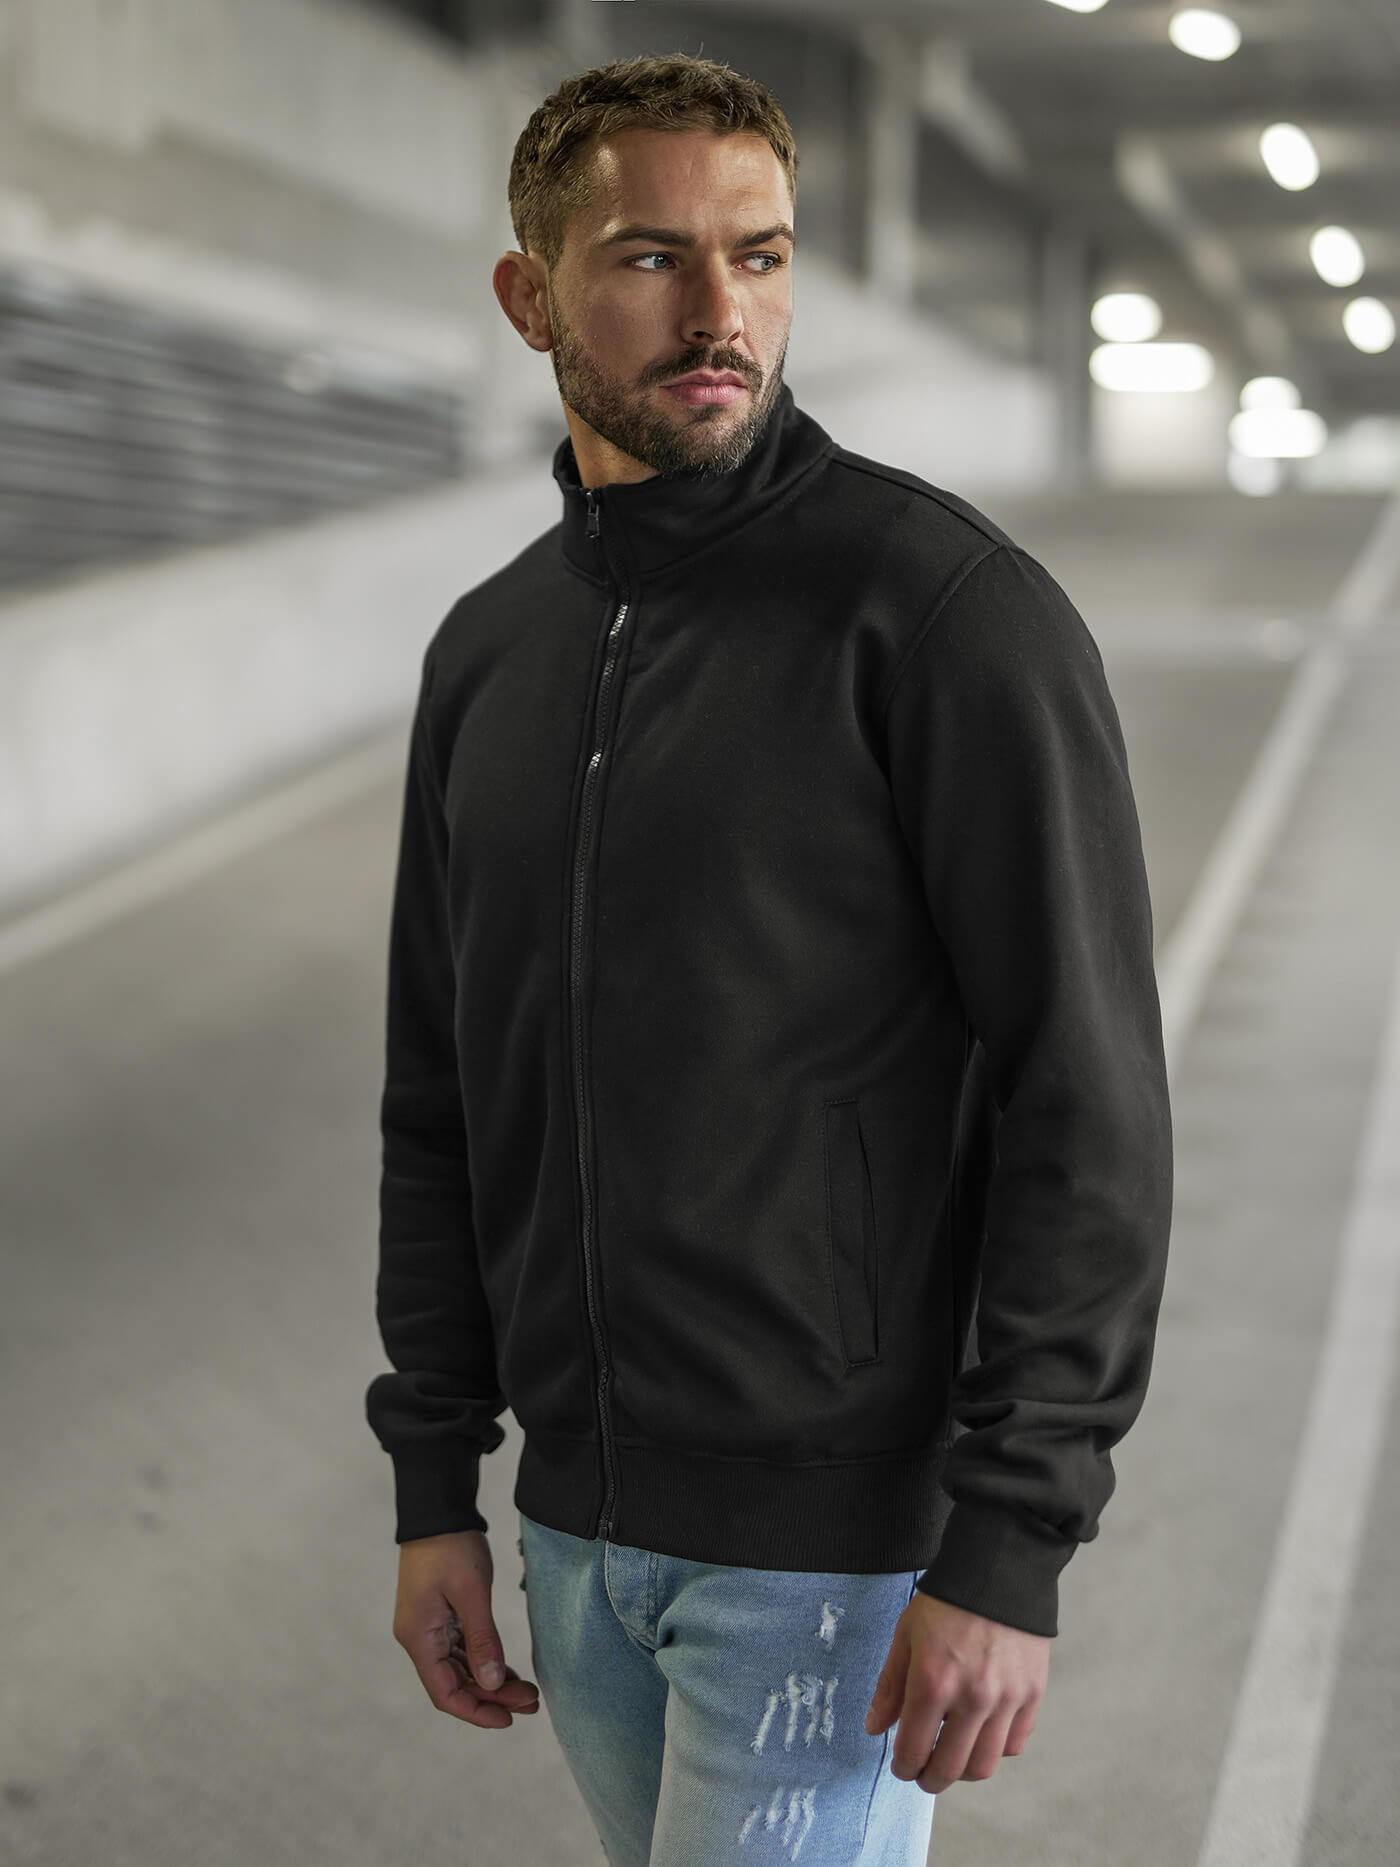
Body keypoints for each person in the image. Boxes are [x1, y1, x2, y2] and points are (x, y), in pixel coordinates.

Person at [366, 50, 1173, 1867]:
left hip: (834, 1553)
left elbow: (1087, 1099)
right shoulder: (489, 656)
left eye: (762, 255)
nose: (720, 312)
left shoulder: (943, 617)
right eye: (653, 258)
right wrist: (437, 1483)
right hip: (576, 1539)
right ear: (530, 298)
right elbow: (444, 1095)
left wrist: (1009, 1540)